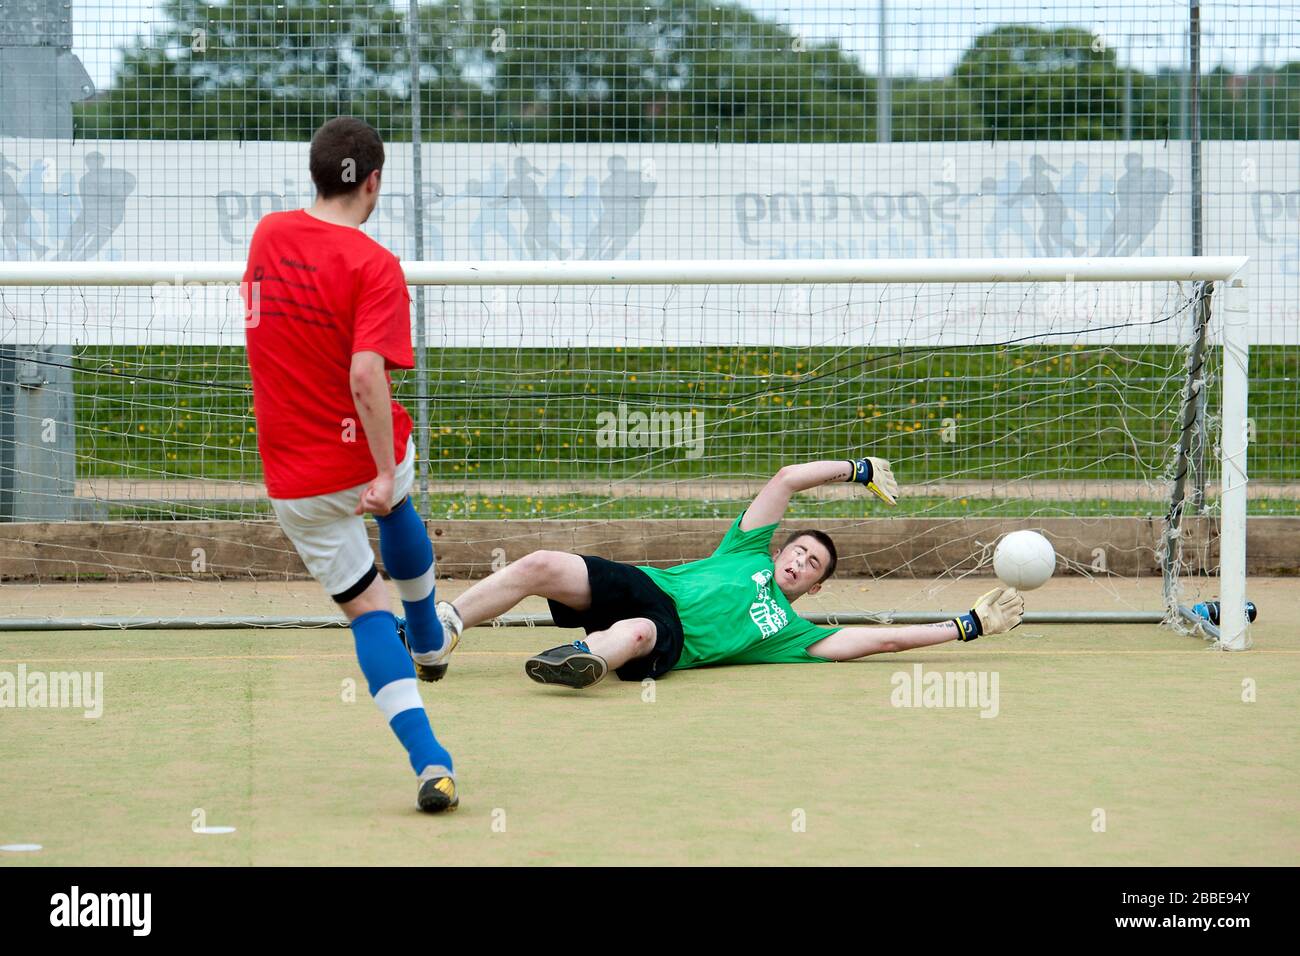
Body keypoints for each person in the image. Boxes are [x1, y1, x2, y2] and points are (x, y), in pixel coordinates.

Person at [241, 117, 459, 812]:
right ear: (374, 181)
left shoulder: (267, 235)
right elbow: (366, 377)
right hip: (358, 455)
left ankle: (432, 761)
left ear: (314, 174)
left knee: (367, 610)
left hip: (293, 479)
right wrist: (380, 469)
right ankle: (428, 634)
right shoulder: (374, 264)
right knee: (397, 482)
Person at [434, 457, 1025, 688]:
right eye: (797, 550)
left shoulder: (795, 635)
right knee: (542, 564)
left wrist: (968, 625)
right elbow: (788, 479)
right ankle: (445, 629)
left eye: (812, 565)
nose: (799, 560)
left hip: (671, 642)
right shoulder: (744, 553)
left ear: (815, 587)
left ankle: (579, 658)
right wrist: (858, 468)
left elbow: (883, 639)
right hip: (649, 584)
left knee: (637, 635)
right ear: (777, 552)